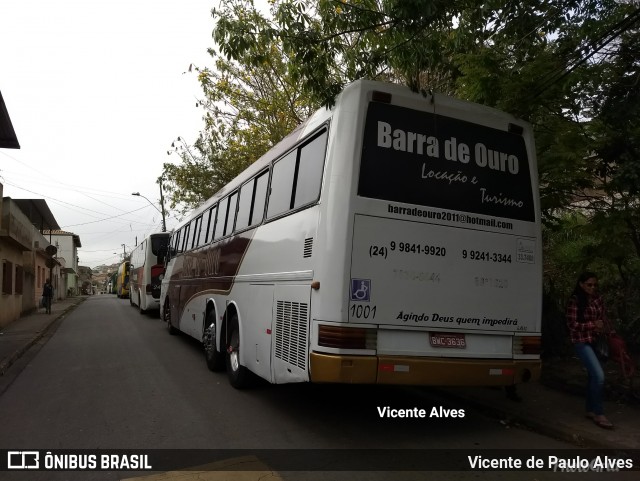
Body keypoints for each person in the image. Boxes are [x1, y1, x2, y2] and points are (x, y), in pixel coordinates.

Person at [566, 272, 614, 430]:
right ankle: (600, 414)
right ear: (581, 284)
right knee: (599, 376)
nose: (592, 287)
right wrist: (593, 325)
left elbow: (603, 319)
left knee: (593, 376)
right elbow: (573, 325)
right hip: (581, 342)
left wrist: (609, 331)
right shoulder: (575, 301)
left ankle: (590, 410)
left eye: (594, 285)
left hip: (596, 341)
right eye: (589, 284)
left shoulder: (598, 299)